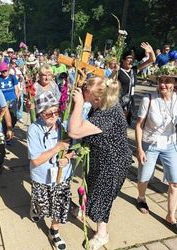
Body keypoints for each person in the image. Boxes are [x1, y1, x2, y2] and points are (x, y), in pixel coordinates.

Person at [68, 77, 132, 249]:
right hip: (100, 157)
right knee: (90, 188)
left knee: (101, 198)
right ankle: (83, 209)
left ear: (95, 97)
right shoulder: (103, 102)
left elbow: (74, 131)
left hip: (112, 164)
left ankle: (102, 235)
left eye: (85, 89)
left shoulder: (107, 114)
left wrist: (79, 103)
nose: (82, 90)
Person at [27, 92, 73, 250]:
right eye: (49, 113)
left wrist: (68, 157)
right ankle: (36, 206)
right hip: (42, 177)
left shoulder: (63, 124)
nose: (54, 115)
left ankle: (54, 231)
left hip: (62, 175)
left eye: (56, 111)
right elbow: (36, 160)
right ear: (40, 113)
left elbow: (74, 146)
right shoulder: (34, 129)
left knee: (59, 205)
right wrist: (57, 148)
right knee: (42, 204)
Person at [135, 65, 177, 231]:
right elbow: (138, 125)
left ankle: (171, 215)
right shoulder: (149, 99)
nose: (163, 84)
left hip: (170, 145)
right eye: (161, 81)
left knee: (174, 182)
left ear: (174, 83)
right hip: (150, 144)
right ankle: (141, 197)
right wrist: (139, 149)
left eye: (167, 81)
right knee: (144, 178)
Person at [118, 42, 155, 125]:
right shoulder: (118, 72)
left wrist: (151, 51)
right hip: (119, 101)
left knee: (125, 124)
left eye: (132, 58)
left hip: (130, 101)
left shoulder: (134, 70)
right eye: (128, 58)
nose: (131, 60)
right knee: (118, 124)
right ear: (123, 60)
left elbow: (152, 60)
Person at [0, 62, 19, 142]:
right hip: (3, 102)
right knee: (5, 119)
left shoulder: (12, 78)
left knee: (14, 117)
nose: (4, 72)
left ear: (8, 70)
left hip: (12, 100)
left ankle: (11, 128)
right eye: (2, 71)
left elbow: (16, 88)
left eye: (5, 70)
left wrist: (17, 97)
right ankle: (7, 134)